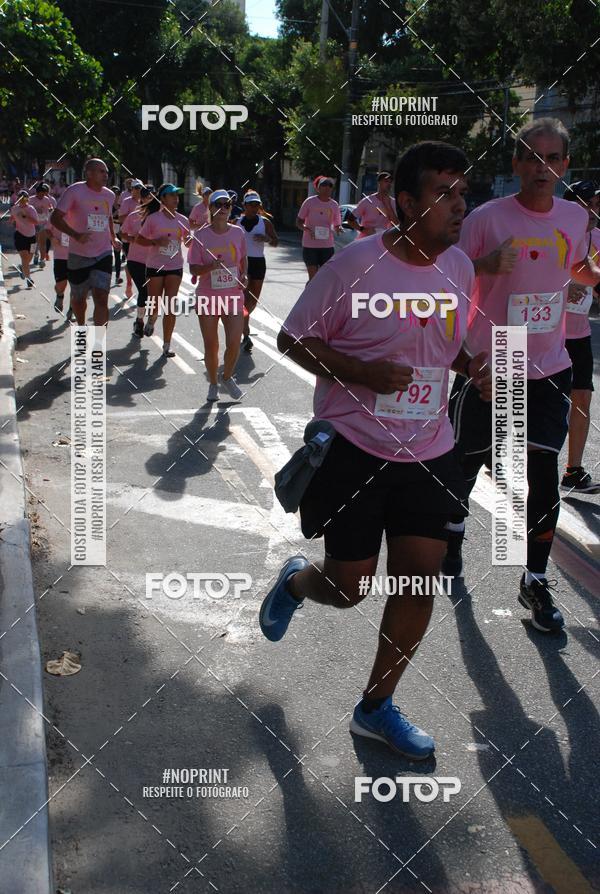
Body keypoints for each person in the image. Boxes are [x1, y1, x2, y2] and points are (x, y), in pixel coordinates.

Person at [260, 141, 491, 760]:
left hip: (429, 452)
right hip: (355, 450)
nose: (459, 206)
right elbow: (292, 338)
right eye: (444, 194)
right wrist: (360, 371)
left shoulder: (459, 269)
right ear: (406, 203)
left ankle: (375, 707)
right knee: (349, 587)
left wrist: (473, 367)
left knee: (417, 584)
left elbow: (447, 347)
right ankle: (296, 583)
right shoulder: (354, 266)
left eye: (463, 193)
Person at [445, 118, 600, 633]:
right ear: (516, 163)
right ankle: (453, 530)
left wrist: (594, 276)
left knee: (541, 475)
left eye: (553, 159)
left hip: (550, 364)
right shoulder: (486, 218)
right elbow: (448, 277)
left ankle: (534, 579)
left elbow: (575, 267)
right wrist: (485, 264)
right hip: (492, 359)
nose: (542, 168)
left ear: (565, 166)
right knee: (466, 462)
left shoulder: (574, 218)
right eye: (532, 158)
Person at [188, 188, 247, 402]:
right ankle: (213, 383)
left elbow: (243, 259)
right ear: (211, 208)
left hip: (233, 296)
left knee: (234, 342)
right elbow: (193, 269)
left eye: (227, 205)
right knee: (211, 345)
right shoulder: (201, 236)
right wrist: (210, 267)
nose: (223, 208)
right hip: (208, 296)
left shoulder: (238, 232)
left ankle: (227, 377)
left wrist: (244, 275)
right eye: (218, 204)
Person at [561, 180, 600, 492]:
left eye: (596, 205)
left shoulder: (597, 239)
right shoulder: (553, 235)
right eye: (587, 203)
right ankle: (498, 455)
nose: (593, 211)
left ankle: (573, 470)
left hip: (579, 334)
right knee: (521, 400)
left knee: (582, 397)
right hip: (542, 335)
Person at [50, 157, 121, 326]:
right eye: (101, 171)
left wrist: (113, 237)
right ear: (89, 173)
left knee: (101, 297)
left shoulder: (109, 195)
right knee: (79, 299)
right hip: (79, 254)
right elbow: (55, 218)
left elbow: (108, 216)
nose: (106, 175)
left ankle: (97, 340)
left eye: (107, 172)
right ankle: (81, 328)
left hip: (103, 253)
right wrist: (75, 235)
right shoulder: (75, 191)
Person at [136, 183, 190, 358]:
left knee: (170, 306)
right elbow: (139, 240)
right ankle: (151, 319)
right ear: (163, 199)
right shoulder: (153, 219)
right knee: (154, 302)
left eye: (177, 195)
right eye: (172, 195)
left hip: (175, 266)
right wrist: (156, 242)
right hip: (155, 266)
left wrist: (192, 239)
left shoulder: (183, 220)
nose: (176, 198)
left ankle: (167, 345)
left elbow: (188, 242)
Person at [238, 190, 278, 352]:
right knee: (243, 298)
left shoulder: (265, 222)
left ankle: (243, 323)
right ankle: (245, 332)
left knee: (253, 300)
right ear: (244, 205)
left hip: (258, 262)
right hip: (242, 263)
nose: (254, 207)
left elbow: (275, 242)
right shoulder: (236, 222)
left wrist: (267, 239)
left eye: (257, 205)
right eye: (251, 204)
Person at [122, 185, 153, 338]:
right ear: (142, 198)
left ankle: (148, 320)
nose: (151, 199)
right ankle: (140, 321)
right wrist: (132, 238)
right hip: (136, 260)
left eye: (153, 197)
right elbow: (122, 234)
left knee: (153, 295)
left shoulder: (161, 218)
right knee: (144, 291)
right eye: (148, 196)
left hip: (155, 261)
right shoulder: (134, 216)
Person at [297, 175, 343, 280]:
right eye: (324, 184)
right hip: (310, 246)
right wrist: (306, 229)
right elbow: (299, 222)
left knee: (324, 278)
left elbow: (337, 224)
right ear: (318, 188)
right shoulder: (309, 202)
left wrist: (339, 228)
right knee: (313, 278)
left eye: (330, 185)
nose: (327, 187)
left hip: (327, 246)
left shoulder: (334, 205)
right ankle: (310, 290)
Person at [348, 171, 399, 238]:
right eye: (386, 181)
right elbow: (350, 220)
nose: (389, 184)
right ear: (379, 183)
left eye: (390, 182)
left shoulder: (393, 202)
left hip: (383, 240)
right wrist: (363, 229)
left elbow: (397, 225)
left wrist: (388, 205)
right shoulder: (367, 201)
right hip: (366, 240)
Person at [46, 218, 74, 320]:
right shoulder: (56, 215)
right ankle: (60, 295)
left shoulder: (79, 213)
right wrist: (52, 238)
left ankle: (72, 310)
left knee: (75, 287)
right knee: (61, 285)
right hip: (60, 256)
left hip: (76, 256)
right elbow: (47, 230)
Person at [10, 190, 39, 287]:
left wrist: (26, 216)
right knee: (24, 257)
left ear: (27, 199)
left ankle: (22, 268)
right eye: (20, 199)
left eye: (25, 199)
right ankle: (29, 279)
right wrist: (12, 221)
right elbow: (11, 219)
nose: (22, 201)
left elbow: (36, 222)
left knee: (29, 258)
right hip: (20, 236)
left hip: (32, 236)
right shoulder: (14, 209)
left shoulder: (31, 209)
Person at [119, 180, 143, 296]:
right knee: (131, 261)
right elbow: (121, 218)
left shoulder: (146, 201)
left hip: (144, 237)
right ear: (131, 190)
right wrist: (133, 216)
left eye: (140, 188)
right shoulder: (127, 201)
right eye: (136, 188)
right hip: (129, 237)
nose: (138, 190)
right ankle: (129, 283)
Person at [31, 183, 55, 267]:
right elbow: (27, 209)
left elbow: (50, 206)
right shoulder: (31, 199)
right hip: (34, 224)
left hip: (44, 223)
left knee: (43, 242)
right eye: (40, 194)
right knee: (34, 242)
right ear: (37, 193)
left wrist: (50, 209)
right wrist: (35, 209)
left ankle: (42, 259)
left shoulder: (46, 199)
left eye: (43, 194)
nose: (42, 196)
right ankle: (35, 255)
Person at [111, 185, 124, 284]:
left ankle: (117, 276)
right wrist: (114, 215)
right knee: (107, 255)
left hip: (119, 231)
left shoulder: (122, 205)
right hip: (109, 231)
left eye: (118, 194)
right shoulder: (107, 205)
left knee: (117, 254)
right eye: (114, 194)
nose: (116, 196)